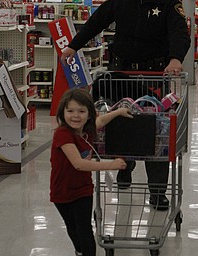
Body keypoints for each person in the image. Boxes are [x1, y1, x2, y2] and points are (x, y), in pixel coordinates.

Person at [61, 0, 191, 211]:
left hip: (154, 76)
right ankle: (124, 166)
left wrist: (176, 58)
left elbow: (179, 32)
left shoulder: (168, 2)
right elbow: (97, 20)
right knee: (119, 123)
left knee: (157, 132)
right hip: (120, 73)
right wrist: (73, 46)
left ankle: (157, 192)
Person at [50, 88, 133, 256]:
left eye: (81, 111)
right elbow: (78, 164)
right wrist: (111, 165)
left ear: (89, 114)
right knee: (72, 227)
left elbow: (101, 121)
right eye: (70, 111)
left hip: (83, 189)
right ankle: (79, 251)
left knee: (85, 229)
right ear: (62, 112)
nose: (75, 116)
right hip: (62, 191)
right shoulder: (63, 134)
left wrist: (118, 112)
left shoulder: (85, 131)